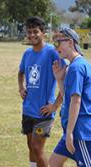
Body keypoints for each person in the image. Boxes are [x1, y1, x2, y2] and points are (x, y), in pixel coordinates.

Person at [18, 16, 63, 167]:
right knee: (31, 146)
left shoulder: (52, 52)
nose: (32, 35)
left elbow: (66, 79)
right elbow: (21, 72)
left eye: (35, 31)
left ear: (43, 32)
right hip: (28, 108)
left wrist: (55, 105)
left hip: (44, 112)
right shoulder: (27, 53)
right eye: (29, 32)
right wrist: (21, 87)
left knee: (37, 148)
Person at [49, 28, 91, 167]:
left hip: (81, 131)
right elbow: (68, 98)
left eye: (58, 43)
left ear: (70, 42)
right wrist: (60, 80)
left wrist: (70, 133)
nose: (56, 48)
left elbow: (76, 101)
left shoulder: (76, 67)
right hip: (73, 129)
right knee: (54, 162)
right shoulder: (73, 65)